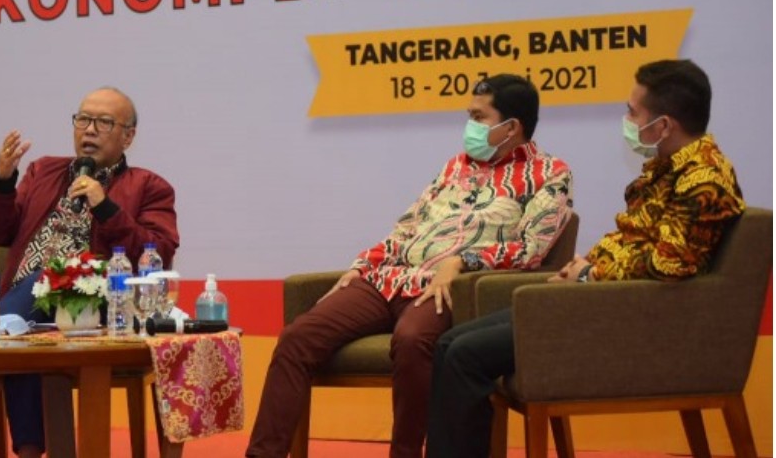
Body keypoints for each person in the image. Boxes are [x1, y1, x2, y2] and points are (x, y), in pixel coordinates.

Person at [425, 59, 745, 458]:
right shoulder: (667, 169)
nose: (627, 120)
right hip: (606, 301)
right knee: (449, 343)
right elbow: (636, 242)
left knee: (464, 357)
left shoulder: (703, 178)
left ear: (663, 125)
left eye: (633, 112)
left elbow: (670, 264)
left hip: (632, 319)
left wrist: (590, 275)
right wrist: (581, 269)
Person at [246, 75, 574, 458]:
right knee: (297, 337)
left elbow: (532, 249)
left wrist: (462, 261)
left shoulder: (550, 174)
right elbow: (408, 227)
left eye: (478, 117)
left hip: (452, 286)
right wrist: (364, 265)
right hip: (391, 278)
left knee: (412, 340)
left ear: (511, 127)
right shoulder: (455, 167)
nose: (469, 126)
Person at [0, 87, 179, 458]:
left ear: (128, 136)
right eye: (83, 119)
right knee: (24, 335)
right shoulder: (43, 171)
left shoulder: (150, 186)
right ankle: (29, 453)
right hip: (26, 306)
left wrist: (105, 208)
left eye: (103, 122)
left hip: (98, 309)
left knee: (46, 281)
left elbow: (158, 251)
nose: (89, 129)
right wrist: (2, 181)